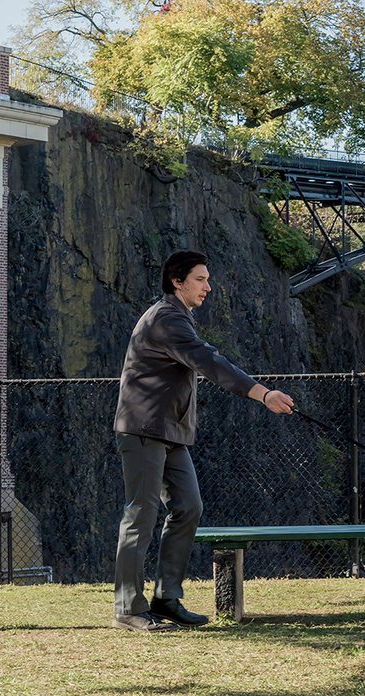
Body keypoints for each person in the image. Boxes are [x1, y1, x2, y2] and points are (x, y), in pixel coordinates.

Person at [112, 249, 295, 632]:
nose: (208, 287)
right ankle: (129, 609)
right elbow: (209, 361)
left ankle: (166, 599)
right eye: (200, 279)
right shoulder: (166, 319)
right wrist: (262, 393)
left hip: (170, 432)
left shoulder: (179, 317)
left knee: (189, 507)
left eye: (208, 279)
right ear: (177, 281)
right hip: (144, 430)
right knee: (140, 516)